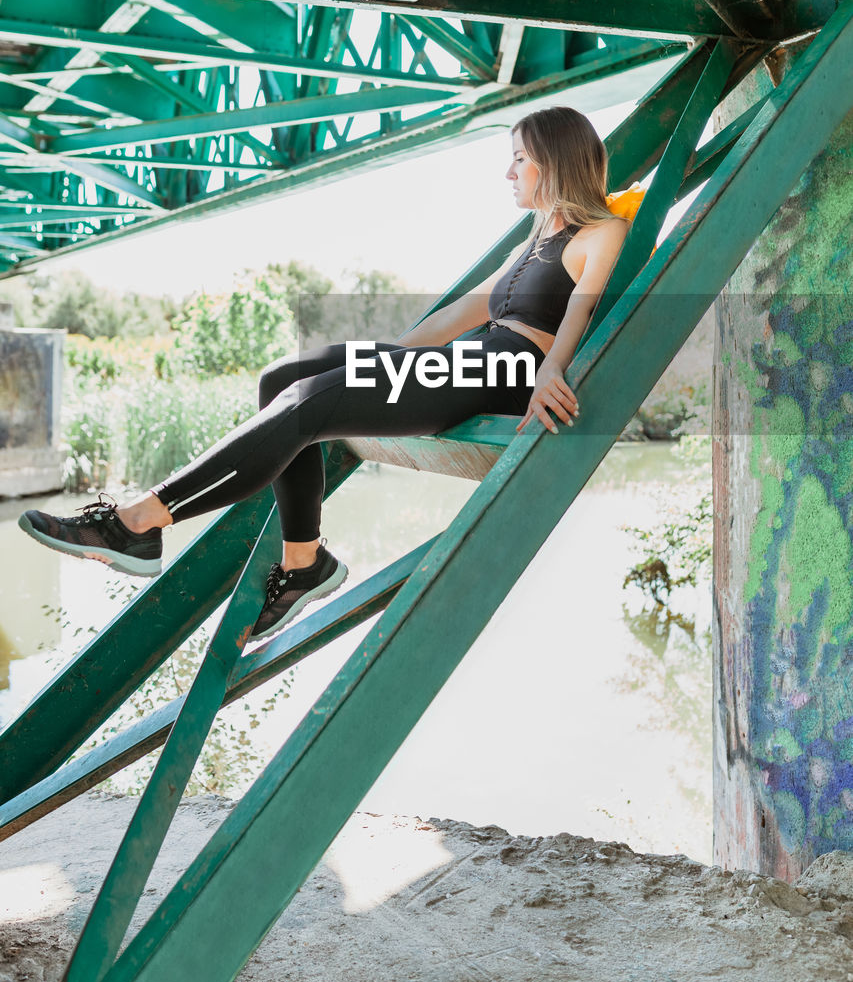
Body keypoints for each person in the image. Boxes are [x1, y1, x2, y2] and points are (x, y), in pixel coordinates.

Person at [18, 106, 630, 642]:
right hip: (466, 359)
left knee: (311, 401)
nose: (508, 173)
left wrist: (553, 367)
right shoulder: (532, 243)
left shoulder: (602, 229)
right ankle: (305, 562)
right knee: (282, 376)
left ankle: (139, 523)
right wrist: (386, 360)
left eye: (518, 159)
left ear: (551, 162)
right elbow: (456, 314)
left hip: (503, 370)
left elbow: (582, 303)